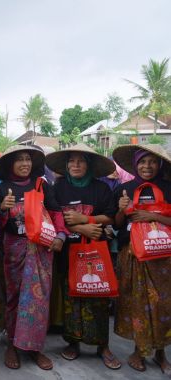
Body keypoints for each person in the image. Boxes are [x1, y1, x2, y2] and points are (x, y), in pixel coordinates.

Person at [45, 143, 121, 369]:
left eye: (80, 161)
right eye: (71, 161)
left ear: (89, 165)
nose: (75, 165)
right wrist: (81, 229)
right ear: (66, 166)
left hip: (96, 252)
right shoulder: (57, 188)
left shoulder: (102, 189)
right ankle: (73, 343)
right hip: (68, 253)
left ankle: (102, 345)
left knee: (99, 296)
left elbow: (110, 217)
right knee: (72, 298)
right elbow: (52, 218)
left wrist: (86, 221)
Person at [0, 145, 66, 371]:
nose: (25, 164)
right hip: (14, 248)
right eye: (19, 160)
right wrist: (3, 210)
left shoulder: (42, 185)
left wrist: (61, 236)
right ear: (10, 165)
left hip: (42, 248)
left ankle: (35, 347)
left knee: (39, 298)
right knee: (14, 296)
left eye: (27, 159)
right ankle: (13, 345)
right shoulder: (3, 188)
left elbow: (55, 212)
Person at [112, 144, 171, 375]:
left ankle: (160, 353)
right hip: (132, 253)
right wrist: (120, 209)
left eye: (152, 162)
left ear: (160, 164)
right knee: (137, 303)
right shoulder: (124, 189)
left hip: (162, 255)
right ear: (136, 165)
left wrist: (151, 216)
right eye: (142, 162)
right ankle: (139, 350)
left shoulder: (168, 188)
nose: (147, 166)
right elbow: (117, 224)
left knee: (163, 303)